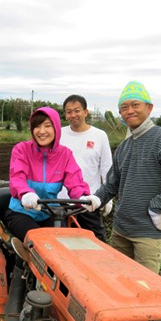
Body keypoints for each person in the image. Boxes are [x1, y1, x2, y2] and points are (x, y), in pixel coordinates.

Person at [3, 107, 99, 321]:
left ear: (56, 128)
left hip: (49, 211)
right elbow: (17, 177)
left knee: (62, 248)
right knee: (33, 242)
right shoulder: (22, 150)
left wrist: (85, 197)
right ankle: (15, 300)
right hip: (22, 210)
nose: (42, 130)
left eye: (47, 125)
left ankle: (63, 302)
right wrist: (25, 193)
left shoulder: (64, 155)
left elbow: (74, 182)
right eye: (37, 125)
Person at [93, 81, 161, 274]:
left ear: (149, 107)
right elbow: (112, 183)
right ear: (120, 114)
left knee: (144, 287)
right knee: (118, 281)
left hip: (147, 233)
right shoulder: (125, 146)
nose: (129, 110)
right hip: (121, 230)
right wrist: (96, 198)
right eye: (124, 107)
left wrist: (157, 207)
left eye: (135, 105)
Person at [60, 94, 113, 242]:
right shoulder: (59, 134)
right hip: (61, 202)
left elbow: (107, 168)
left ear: (85, 112)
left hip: (88, 201)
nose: (73, 115)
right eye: (69, 111)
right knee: (62, 246)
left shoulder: (99, 136)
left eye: (77, 110)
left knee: (97, 243)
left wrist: (107, 199)